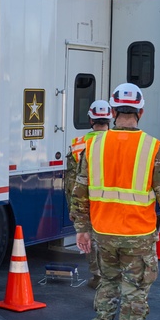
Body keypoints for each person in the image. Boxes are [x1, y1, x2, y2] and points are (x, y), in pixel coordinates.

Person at [71, 83, 160, 320]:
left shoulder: (94, 145)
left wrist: (82, 228)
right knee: (134, 294)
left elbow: (79, 190)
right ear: (141, 112)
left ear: (112, 111)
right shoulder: (151, 148)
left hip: (103, 233)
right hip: (138, 235)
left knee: (107, 284)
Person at [65, 100, 113, 289]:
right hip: (113, 202)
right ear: (110, 119)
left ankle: (97, 276)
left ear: (91, 119)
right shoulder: (118, 143)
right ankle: (112, 276)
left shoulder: (79, 145)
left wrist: (73, 209)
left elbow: (71, 183)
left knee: (89, 240)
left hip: (89, 202)